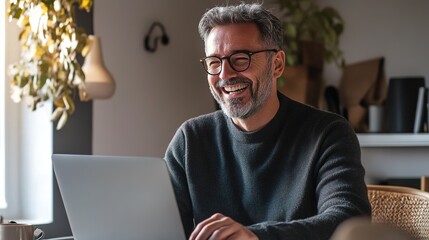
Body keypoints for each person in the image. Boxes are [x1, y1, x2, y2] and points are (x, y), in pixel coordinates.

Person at [164, 3, 371, 240]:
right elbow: (160, 226)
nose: (224, 74)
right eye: (214, 62)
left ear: (277, 64)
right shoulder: (190, 139)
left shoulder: (328, 133)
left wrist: (255, 236)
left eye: (240, 59)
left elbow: (350, 220)